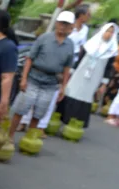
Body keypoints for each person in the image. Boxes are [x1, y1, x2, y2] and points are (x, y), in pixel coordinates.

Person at [8, 11, 75, 140]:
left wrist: (63, 87)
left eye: (66, 25)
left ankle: (30, 139)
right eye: (61, 23)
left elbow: (67, 67)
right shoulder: (45, 38)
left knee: (39, 113)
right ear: (56, 23)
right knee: (21, 108)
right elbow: (29, 58)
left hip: (51, 82)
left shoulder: (70, 45)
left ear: (71, 27)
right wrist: (24, 78)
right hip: (34, 77)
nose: (63, 27)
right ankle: (9, 136)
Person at [61, 23, 118, 128]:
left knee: (86, 96)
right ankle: (64, 116)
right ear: (102, 31)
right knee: (72, 91)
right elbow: (79, 59)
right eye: (107, 31)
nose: (108, 34)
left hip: (95, 76)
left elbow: (108, 68)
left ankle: (77, 121)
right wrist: (70, 73)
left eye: (111, 32)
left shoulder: (112, 50)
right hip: (80, 73)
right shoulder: (90, 44)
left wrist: (104, 84)